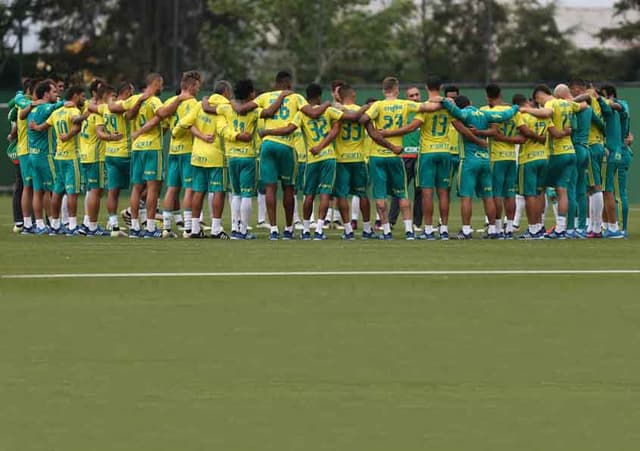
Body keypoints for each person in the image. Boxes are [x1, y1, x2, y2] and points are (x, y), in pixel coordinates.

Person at [231, 71, 330, 240]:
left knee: (270, 188)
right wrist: (328, 103)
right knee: (288, 188)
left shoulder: (264, 97)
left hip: (267, 145)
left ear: (276, 83)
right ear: (288, 84)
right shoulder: (295, 97)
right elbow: (313, 113)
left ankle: (273, 230)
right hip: (286, 145)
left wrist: (231, 102)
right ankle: (289, 229)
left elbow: (241, 109)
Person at [261, 83, 363, 240]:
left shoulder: (301, 114)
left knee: (308, 195)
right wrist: (367, 106)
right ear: (320, 95)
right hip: (328, 157)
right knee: (324, 193)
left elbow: (288, 129)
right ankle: (320, 230)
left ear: (306, 97)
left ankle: (306, 230)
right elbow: (351, 119)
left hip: (311, 159)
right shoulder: (328, 110)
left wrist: (268, 131)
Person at [359, 76, 441, 240]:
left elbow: (363, 119)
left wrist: (372, 127)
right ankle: (409, 231)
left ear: (383, 90)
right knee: (402, 193)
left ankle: (387, 232)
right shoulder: (405, 104)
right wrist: (443, 100)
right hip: (396, 156)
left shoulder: (378, 105)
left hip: (377, 155)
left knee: (380, 195)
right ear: (397, 90)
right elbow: (430, 107)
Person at [441, 95, 520, 239]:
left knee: (466, 197)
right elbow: (504, 115)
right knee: (488, 196)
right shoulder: (484, 114)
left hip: (469, 161)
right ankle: (492, 230)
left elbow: (454, 111)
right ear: (471, 102)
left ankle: (466, 231)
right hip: (485, 160)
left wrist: (444, 101)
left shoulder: (464, 114)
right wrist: (516, 107)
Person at [519, 84, 586, 239]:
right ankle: (562, 228)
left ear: (539, 96)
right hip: (570, 151)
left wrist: (526, 109)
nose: (539, 104)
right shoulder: (567, 103)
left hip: (557, 153)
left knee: (540, 190)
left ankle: (538, 227)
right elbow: (583, 105)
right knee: (562, 190)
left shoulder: (550, 103)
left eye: (538, 101)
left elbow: (546, 113)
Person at [29, 85, 85, 235]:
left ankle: (54, 224)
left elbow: (42, 127)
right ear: (75, 95)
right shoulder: (73, 110)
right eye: (82, 95)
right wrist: (85, 116)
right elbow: (76, 124)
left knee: (57, 192)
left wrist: (35, 126)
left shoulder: (56, 113)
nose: (83, 99)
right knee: (72, 191)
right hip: (71, 157)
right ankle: (72, 226)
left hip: (58, 157)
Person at [216, 79, 260, 239]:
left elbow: (212, 112)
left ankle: (235, 228)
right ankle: (243, 231)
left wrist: (207, 100)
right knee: (247, 195)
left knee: (236, 194)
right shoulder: (255, 111)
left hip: (231, 156)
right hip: (248, 157)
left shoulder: (226, 109)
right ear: (249, 94)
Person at [158, 71, 201, 237]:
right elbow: (193, 126)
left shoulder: (170, 101)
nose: (198, 89)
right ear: (191, 86)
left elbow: (163, 122)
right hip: (188, 150)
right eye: (197, 86)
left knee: (172, 188)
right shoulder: (193, 103)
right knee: (189, 189)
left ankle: (166, 228)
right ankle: (189, 228)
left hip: (173, 150)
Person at [334, 84, 375, 239]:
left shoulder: (336, 110)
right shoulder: (364, 111)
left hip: (341, 159)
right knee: (362, 194)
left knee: (342, 196)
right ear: (353, 94)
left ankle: (348, 230)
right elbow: (372, 133)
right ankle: (366, 229)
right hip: (359, 158)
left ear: (340, 95)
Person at [482, 83, 523, 239]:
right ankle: (510, 227)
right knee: (510, 194)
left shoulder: (486, 111)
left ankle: (498, 228)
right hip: (512, 158)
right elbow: (522, 135)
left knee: (496, 194)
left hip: (496, 157)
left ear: (488, 96)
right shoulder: (513, 112)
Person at [511, 94, 551, 239]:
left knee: (529, 196)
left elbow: (524, 133)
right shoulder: (543, 115)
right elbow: (552, 132)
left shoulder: (521, 115)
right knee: (540, 193)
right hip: (544, 157)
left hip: (528, 159)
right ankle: (540, 226)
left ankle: (533, 229)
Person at [26, 79, 63, 234]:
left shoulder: (33, 109)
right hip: (45, 155)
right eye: (54, 91)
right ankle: (55, 223)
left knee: (38, 190)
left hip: (33, 155)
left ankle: (40, 224)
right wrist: (65, 102)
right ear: (46, 94)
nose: (57, 94)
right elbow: (56, 106)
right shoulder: (44, 107)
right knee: (56, 187)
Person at [388, 85, 422, 231]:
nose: (415, 98)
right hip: (405, 156)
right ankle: (391, 221)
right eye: (411, 96)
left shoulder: (423, 111)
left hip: (420, 156)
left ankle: (417, 223)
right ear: (406, 98)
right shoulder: (403, 111)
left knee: (420, 191)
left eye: (417, 95)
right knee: (399, 190)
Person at [597, 84, 625, 239]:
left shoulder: (609, 109)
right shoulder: (615, 110)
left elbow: (609, 108)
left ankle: (613, 227)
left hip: (610, 152)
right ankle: (608, 226)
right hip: (616, 152)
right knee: (606, 190)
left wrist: (598, 99)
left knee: (606, 191)